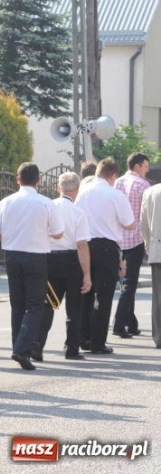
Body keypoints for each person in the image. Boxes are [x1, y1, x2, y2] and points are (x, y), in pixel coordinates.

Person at [0, 163, 64, 371]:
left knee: (18, 304)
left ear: (17, 179)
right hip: (36, 256)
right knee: (35, 305)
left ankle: (18, 347)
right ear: (38, 180)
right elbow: (58, 233)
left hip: (12, 256)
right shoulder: (46, 203)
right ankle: (22, 350)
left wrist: (14, 235)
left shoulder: (6, 202)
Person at [75, 158, 136, 354]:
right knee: (104, 296)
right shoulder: (115, 195)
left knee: (86, 292)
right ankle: (98, 342)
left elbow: (75, 216)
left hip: (84, 245)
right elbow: (129, 223)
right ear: (113, 175)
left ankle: (83, 337)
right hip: (107, 248)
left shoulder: (83, 192)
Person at [33, 172, 92, 361]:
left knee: (48, 304)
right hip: (71, 261)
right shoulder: (78, 212)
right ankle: (72, 348)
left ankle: (38, 344)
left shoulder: (47, 206)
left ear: (58, 188)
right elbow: (82, 245)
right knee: (74, 307)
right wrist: (87, 274)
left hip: (49, 260)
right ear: (77, 189)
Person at [112, 152, 151, 337]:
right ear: (137, 166)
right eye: (145, 166)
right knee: (129, 285)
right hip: (135, 238)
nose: (147, 170)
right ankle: (119, 324)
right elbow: (146, 214)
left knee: (125, 282)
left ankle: (131, 323)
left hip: (117, 238)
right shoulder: (143, 185)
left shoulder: (117, 182)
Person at [139, 180, 161, 349]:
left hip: (158, 248)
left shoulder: (151, 192)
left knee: (158, 296)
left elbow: (144, 224)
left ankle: (159, 336)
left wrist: (148, 245)